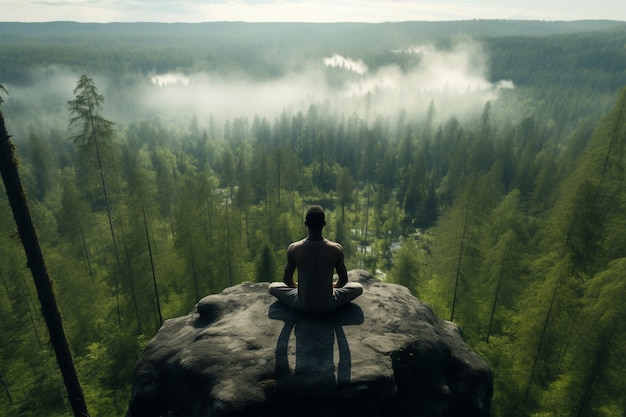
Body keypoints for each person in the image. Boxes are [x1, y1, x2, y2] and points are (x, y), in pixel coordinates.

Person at [269, 205, 363, 314]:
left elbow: (287, 281)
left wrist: (301, 287)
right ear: (324, 224)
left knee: (273, 287)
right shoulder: (336, 249)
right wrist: (330, 287)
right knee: (357, 287)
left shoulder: (294, 248)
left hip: (302, 304)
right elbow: (343, 281)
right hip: (328, 305)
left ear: (306, 223)